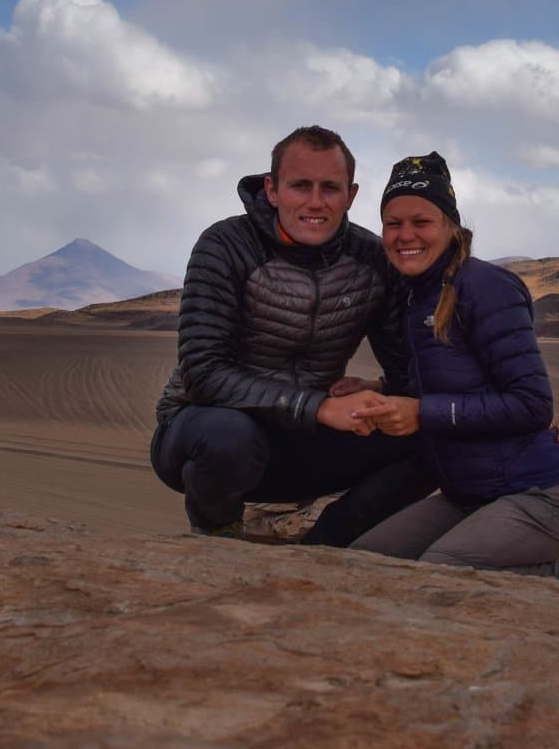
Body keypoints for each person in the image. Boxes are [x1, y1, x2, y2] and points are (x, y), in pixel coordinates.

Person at [149, 126, 434, 545]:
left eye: (330, 188)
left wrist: (507, 400)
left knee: (432, 435)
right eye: (301, 186)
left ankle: (324, 547)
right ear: (272, 190)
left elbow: (412, 370)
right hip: (205, 437)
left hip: (304, 444)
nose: (316, 202)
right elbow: (204, 374)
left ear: (351, 196)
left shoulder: (371, 259)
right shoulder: (225, 245)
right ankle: (218, 537)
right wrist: (319, 407)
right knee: (229, 437)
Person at [349, 152, 559, 589]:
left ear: (450, 225)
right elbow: (447, 382)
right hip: (469, 498)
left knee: (442, 574)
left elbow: (531, 404)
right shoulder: (416, 297)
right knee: (362, 565)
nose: (405, 235)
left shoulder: (485, 288)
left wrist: (422, 413)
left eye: (421, 221)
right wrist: (375, 389)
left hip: (540, 497)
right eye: (393, 223)